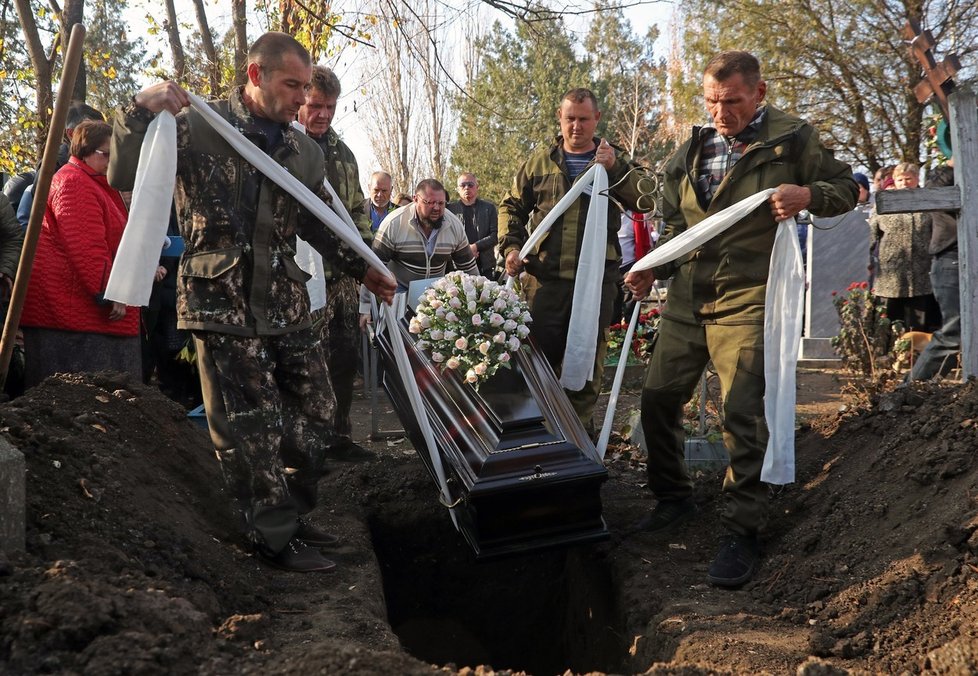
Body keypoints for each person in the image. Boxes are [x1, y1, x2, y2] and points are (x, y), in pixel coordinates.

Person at [108, 32, 396, 573]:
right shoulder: (196, 126)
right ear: (256, 75)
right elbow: (124, 173)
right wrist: (139, 110)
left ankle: (292, 513)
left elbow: (318, 220)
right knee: (248, 423)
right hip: (220, 300)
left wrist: (365, 268)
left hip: (284, 300)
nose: (301, 99)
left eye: (306, 87)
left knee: (318, 410)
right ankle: (270, 537)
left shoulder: (302, 150)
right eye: (292, 85)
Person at [625, 51, 857, 587]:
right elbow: (678, 231)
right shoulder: (688, 152)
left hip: (748, 297)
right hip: (687, 298)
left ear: (759, 92)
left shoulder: (793, 141)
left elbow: (848, 188)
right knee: (658, 399)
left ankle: (741, 531)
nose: (720, 111)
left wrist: (809, 195)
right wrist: (649, 270)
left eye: (730, 101)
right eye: (711, 100)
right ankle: (673, 499)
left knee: (741, 413)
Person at [500, 87, 646, 433]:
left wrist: (615, 169)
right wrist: (511, 247)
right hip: (546, 283)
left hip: (596, 284)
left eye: (583, 119)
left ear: (597, 119)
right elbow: (511, 207)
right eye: (570, 119)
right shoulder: (539, 163)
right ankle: (537, 442)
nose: (576, 126)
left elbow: (645, 202)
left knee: (587, 366)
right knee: (538, 365)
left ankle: (579, 444)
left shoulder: (616, 160)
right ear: (559, 118)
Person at [20, 120, 140, 387]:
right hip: (72, 315)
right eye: (105, 153)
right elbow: (87, 249)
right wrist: (113, 291)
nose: (112, 160)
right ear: (84, 150)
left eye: (115, 154)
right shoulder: (74, 183)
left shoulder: (95, 183)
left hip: (79, 315)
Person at [298, 65, 373, 460]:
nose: (323, 114)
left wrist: (366, 254)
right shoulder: (285, 145)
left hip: (342, 277)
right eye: (315, 105)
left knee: (344, 358)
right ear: (300, 103)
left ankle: (340, 436)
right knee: (306, 364)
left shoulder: (343, 154)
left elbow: (357, 208)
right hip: (301, 276)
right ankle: (308, 446)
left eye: (329, 107)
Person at [368, 178, 478, 294]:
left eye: (441, 203)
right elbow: (373, 268)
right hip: (399, 291)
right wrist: (366, 309)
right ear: (415, 199)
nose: (436, 208)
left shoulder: (454, 225)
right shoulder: (394, 223)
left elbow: (469, 268)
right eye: (430, 203)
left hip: (436, 293)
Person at [869, 162, 940, 332]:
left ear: (917, 179)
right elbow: (873, 235)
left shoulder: (928, 203)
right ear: (894, 180)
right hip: (891, 277)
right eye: (900, 179)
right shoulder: (883, 203)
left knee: (919, 331)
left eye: (908, 179)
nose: (904, 183)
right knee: (889, 328)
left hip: (922, 276)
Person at [908, 160, 960, 380]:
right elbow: (935, 190)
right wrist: (954, 162)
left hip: (962, 260)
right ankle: (909, 394)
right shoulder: (943, 174)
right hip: (952, 260)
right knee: (954, 335)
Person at [447, 172, 498, 278]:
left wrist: (475, 247)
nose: (466, 188)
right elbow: (447, 237)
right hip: (457, 267)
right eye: (463, 185)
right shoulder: (449, 210)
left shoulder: (488, 208)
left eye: (470, 185)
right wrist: (466, 251)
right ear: (457, 188)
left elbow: (495, 236)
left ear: (477, 187)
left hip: (485, 266)